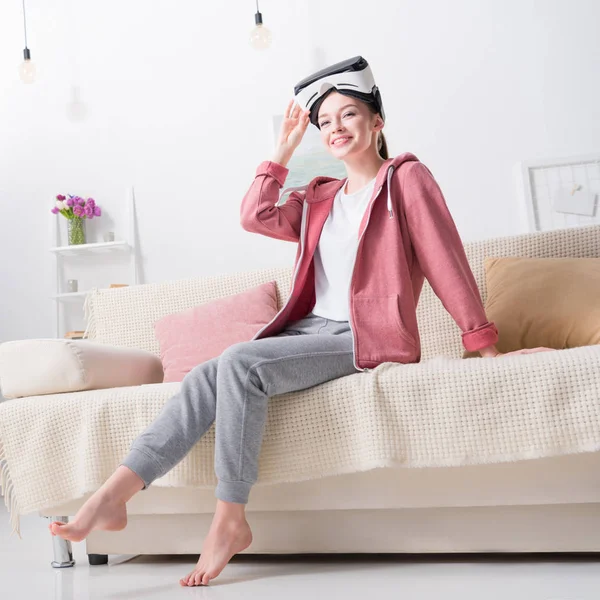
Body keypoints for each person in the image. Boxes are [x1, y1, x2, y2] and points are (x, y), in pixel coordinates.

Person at [48, 56, 553, 587]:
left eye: (349, 115)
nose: (336, 128)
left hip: (369, 337)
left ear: (377, 122)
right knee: (206, 373)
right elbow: (254, 215)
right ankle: (114, 496)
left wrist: (483, 344)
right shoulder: (321, 198)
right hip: (311, 332)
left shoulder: (406, 179)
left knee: (239, 361)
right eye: (327, 121)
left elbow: (446, 259)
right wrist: (283, 151)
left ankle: (230, 517)